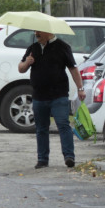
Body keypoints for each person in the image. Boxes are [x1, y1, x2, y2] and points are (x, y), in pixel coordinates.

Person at [18, 29, 84, 168]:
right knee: (41, 128)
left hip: (58, 95)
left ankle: (69, 157)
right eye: (35, 32)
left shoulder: (62, 47)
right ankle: (42, 159)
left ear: (48, 32)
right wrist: (27, 62)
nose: (36, 34)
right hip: (39, 96)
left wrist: (80, 88)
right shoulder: (33, 48)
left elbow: (73, 68)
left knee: (63, 125)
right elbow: (21, 68)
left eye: (39, 32)